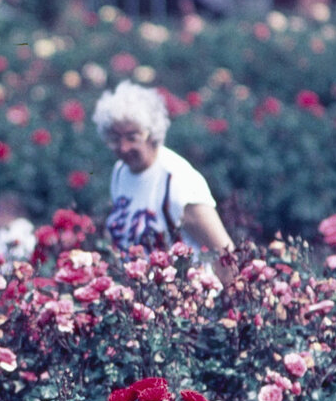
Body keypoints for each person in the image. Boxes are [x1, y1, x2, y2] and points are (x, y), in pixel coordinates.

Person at [92, 81, 234, 281]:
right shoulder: (121, 172)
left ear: (152, 133)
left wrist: (230, 308)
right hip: (140, 298)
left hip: (185, 300)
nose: (123, 148)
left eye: (133, 137)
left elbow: (225, 254)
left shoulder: (178, 181)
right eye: (115, 138)